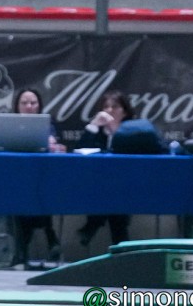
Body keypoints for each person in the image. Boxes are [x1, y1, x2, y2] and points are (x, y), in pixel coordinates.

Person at [10, 87, 65, 268]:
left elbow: (55, 146)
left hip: (41, 178)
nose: (29, 106)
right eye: (24, 103)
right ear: (17, 106)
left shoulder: (48, 125)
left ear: (39, 105)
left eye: (33, 103)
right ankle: (50, 237)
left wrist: (52, 144)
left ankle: (22, 251)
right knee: (24, 198)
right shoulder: (9, 125)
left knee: (39, 196)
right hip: (16, 179)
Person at [76, 91, 135, 247]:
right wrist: (93, 126)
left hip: (127, 185)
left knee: (115, 194)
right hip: (97, 183)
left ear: (125, 111)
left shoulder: (133, 129)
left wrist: (115, 129)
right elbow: (80, 149)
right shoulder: (98, 131)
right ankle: (121, 244)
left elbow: (131, 152)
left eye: (114, 107)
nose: (109, 110)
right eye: (106, 107)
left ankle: (92, 226)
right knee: (110, 195)